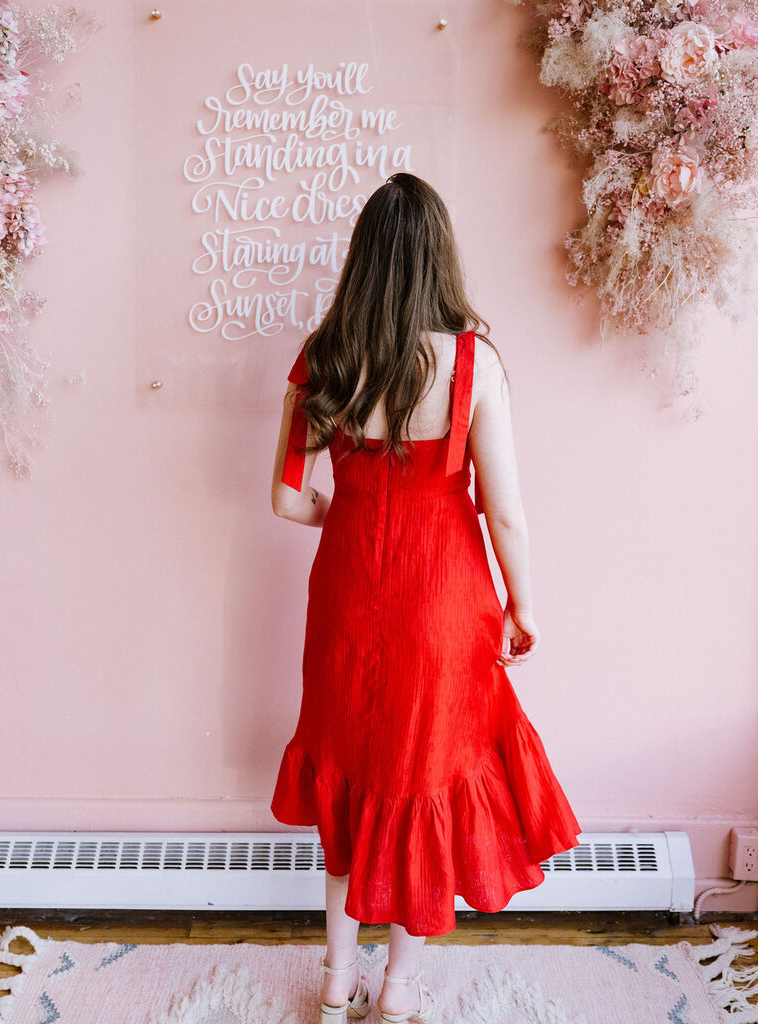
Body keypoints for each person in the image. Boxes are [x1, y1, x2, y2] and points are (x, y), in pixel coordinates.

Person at [269, 172, 582, 1024]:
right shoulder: (473, 362)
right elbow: (505, 512)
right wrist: (523, 605)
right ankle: (397, 992)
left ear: (362, 258)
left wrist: (354, 511)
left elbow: (289, 500)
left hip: (345, 593)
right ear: (440, 256)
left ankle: (335, 981)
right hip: (442, 600)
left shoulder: (323, 356)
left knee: (352, 789)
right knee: (422, 786)